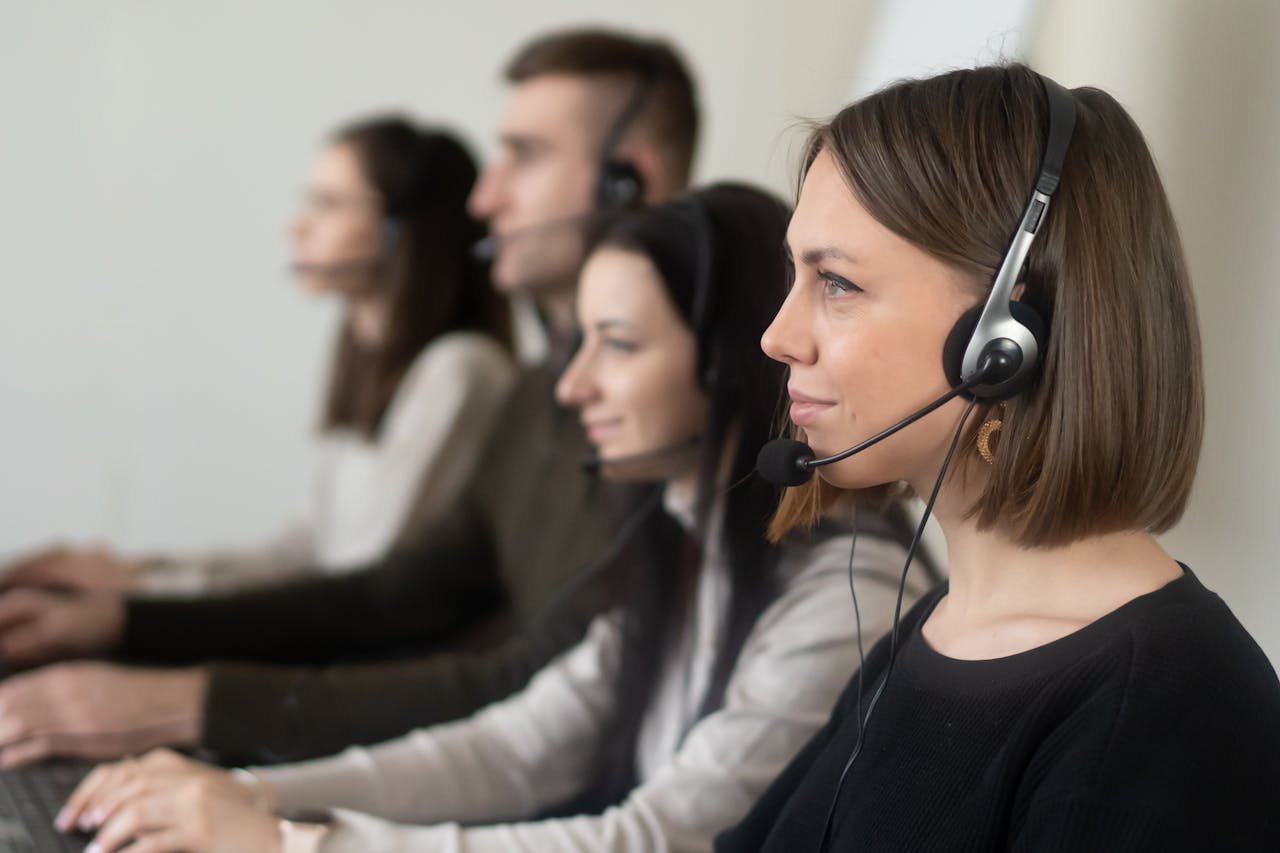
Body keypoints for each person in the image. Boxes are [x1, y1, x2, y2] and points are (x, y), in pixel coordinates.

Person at [56, 183, 924, 853]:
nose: (572, 384)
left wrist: (292, 839)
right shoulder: (684, 545)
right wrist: (257, 794)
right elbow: (514, 747)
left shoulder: (842, 591)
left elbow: (660, 839)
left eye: (617, 345)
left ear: (731, 362)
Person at [0, 28, 703, 769]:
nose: (483, 196)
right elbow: (393, 593)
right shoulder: (537, 393)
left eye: (524, 157)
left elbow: (531, 688)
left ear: (629, 183)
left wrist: (186, 699)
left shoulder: (671, 418)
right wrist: (125, 621)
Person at [715, 64, 1280, 852]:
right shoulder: (939, 632)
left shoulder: (1171, 714)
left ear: (1003, 341)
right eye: (795, 275)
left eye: (837, 282)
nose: (777, 335)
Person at [4, 116, 514, 596]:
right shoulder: (369, 361)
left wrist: (140, 597)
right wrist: (137, 575)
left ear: (399, 230)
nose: (298, 227)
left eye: (329, 204)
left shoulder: (461, 369)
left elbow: (358, 579)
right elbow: (309, 548)